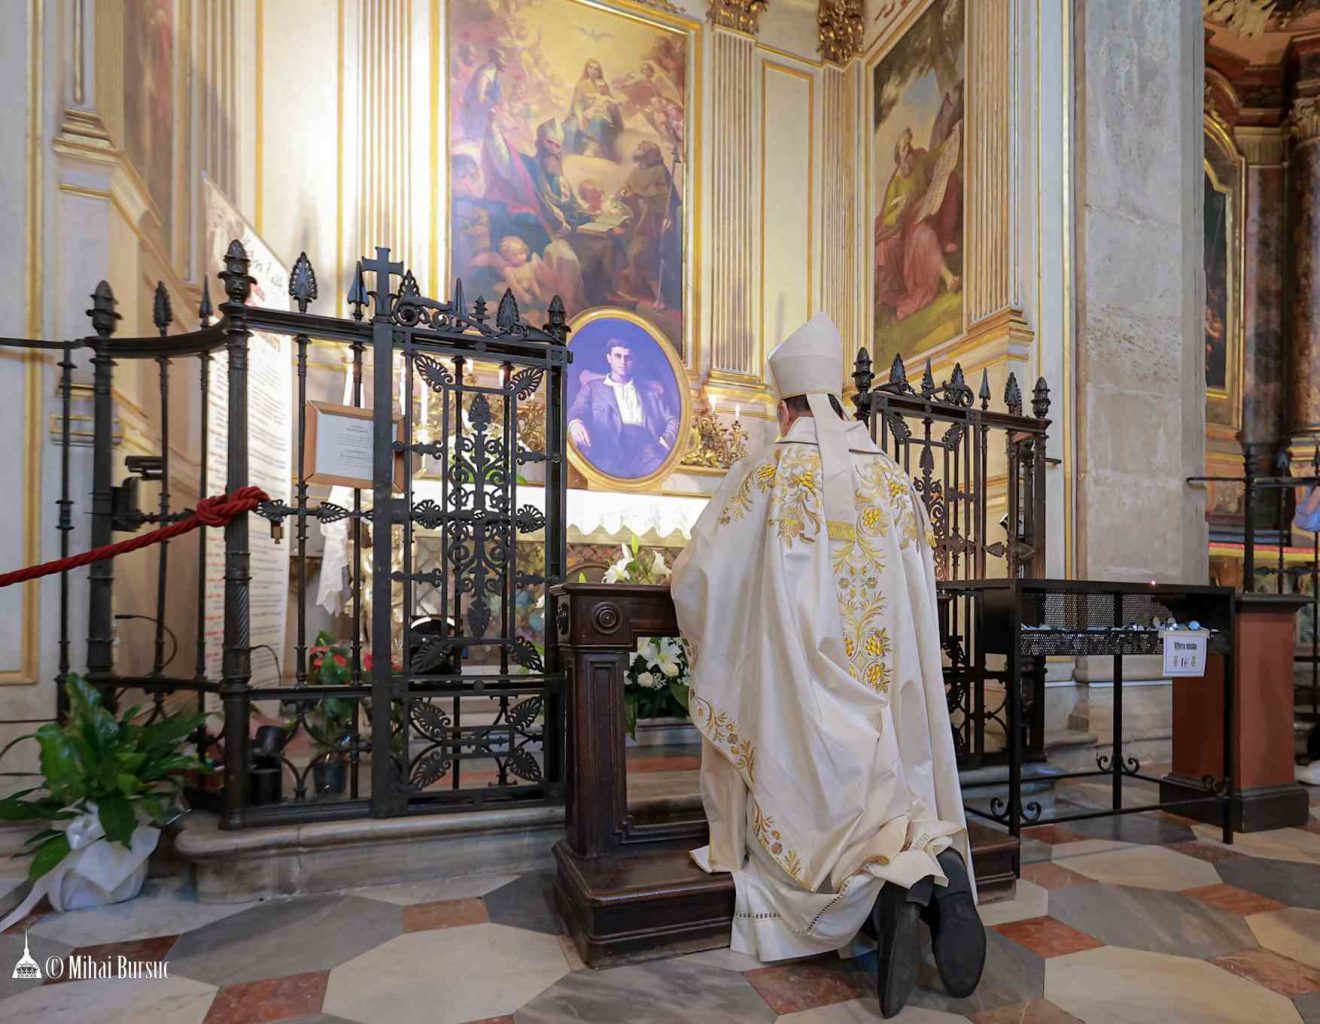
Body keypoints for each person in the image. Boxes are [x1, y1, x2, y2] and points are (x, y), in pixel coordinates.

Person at [671, 313, 984, 1018]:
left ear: (785, 407)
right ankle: (925, 864)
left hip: (805, 706)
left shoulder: (770, 473)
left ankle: (884, 889)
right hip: (887, 700)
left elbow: (702, 579)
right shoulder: (896, 483)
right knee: (894, 794)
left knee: (800, 835)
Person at [874, 126, 962, 322]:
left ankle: (947, 237)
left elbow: (938, 155)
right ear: (899, 161)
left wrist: (954, 134)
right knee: (924, 236)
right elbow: (887, 218)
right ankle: (949, 278)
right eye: (906, 155)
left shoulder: (919, 159)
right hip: (910, 227)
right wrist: (900, 210)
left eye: (910, 152)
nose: (910, 158)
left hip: (929, 208)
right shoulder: (895, 185)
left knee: (951, 179)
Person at [567, 339, 678, 479]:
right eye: (618, 356)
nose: (623, 362)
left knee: (659, 479)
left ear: (634, 360)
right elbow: (578, 409)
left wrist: (664, 441)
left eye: (628, 357)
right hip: (607, 448)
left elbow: (672, 420)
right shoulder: (593, 388)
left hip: (646, 450)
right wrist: (575, 422)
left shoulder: (649, 393)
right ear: (609, 358)